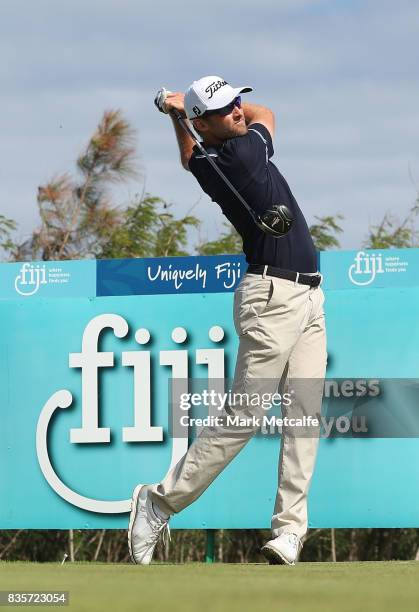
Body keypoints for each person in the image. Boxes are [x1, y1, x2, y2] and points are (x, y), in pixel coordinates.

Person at [128, 75, 327, 566]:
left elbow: (188, 155)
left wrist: (178, 113)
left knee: (304, 418)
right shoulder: (243, 155)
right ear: (206, 123)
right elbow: (270, 116)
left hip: (308, 297)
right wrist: (180, 109)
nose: (240, 111)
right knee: (243, 418)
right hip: (272, 298)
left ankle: (288, 532)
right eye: (226, 109)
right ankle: (158, 501)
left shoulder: (207, 161)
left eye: (238, 100)